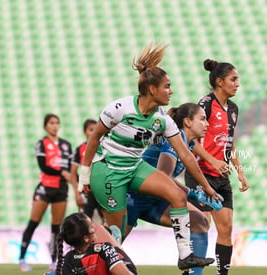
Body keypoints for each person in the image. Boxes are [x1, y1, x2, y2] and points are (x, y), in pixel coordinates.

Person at [78, 42, 223, 271]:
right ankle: (70, 266)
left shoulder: (162, 120)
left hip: (134, 168)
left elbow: (186, 155)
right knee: (115, 240)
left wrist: (205, 187)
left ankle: (185, 255)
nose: (171, 91)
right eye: (167, 86)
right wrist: (84, 175)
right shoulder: (119, 108)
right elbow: (94, 138)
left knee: (177, 195)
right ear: (153, 89)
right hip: (107, 171)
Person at [125, 103, 228, 275]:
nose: (207, 123)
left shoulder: (190, 143)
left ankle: (195, 274)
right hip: (132, 199)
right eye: (202, 119)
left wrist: (205, 189)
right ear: (187, 122)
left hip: (155, 199)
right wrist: (196, 194)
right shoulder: (174, 137)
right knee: (110, 247)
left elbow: (183, 172)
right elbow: (162, 177)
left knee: (200, 221)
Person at [185, 59, 249, 275]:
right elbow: (191, 139)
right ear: (220, 81)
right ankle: (194, 272)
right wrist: (212, 160)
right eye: (234, 79)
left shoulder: (233, 109)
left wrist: (240, 172)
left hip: (221, 177)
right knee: (202, 224)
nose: (237, 83)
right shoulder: (205, 104)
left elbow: (229, 142)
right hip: (200, 173)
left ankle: (222, 273)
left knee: (226, 227)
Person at [19, 114, 73, 272]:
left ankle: (54, 261)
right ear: (45, 126)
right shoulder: (41, 144)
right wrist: (63, 172)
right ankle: (22, 258)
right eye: (51, 123)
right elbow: (44, 166)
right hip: (45, 187)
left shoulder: (66, 145)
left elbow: (70, 168)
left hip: (61, 189)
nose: (55, 126)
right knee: (33, 223)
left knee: (56, 228)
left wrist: (69, 175)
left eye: (57, 123)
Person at [44, 212, 137, 275]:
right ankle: (113, 239)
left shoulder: (67, 259)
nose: (94, 228)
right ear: (86, 238)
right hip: (123, 266)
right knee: (99, 227)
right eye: (91, 227)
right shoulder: (104, 248)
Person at [71, 119, 104, 222]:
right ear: (84, 132)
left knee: (105, 219)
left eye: (95, 129)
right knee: (84, 221)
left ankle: (107, 238)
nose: (93, 132)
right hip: (86, 188)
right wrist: (77, 194)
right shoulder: (80, 149)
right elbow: (73, 173)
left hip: (101, 187)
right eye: (91, 130)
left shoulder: (104, 148)